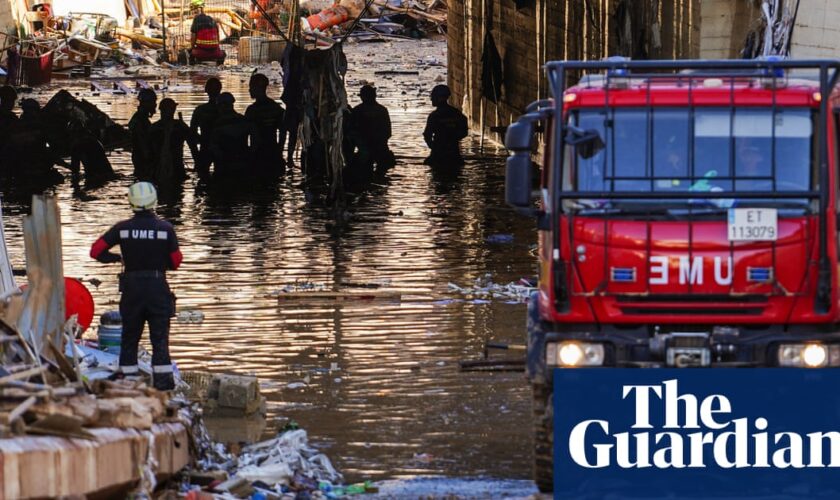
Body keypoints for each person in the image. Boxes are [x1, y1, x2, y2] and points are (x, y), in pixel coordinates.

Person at [89, 182, 182, 391]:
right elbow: (176, 261)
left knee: (129, 338)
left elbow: (96, 251)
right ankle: (164, 388)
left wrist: (116, 258)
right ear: (154, 201)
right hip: (158, 289)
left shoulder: (122, 229)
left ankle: (128, 386)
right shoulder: (166, 229)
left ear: (130, 202)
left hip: (132, 291)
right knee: (160, 340)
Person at [348, 85, 395, 176]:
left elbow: (351, 131)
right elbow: (388, 132)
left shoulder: (358, 110)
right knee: (381, 173)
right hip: (374, 146)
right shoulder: (382, 110)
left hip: (371, 147)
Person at [149, 98, 199, 182]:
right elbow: (193, 144)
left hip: (165, 167)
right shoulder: (179, 126)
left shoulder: (154, 127)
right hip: (167, 167)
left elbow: (192, 143)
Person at [244, 73, 285, 175]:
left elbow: (245, 134)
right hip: (273, 153)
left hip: (258, 155)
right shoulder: (276, 108)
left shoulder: (252, 111)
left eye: (251, 87)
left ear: (257, 88)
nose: (249, 90)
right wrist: (279, 152)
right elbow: (283, 132)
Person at [210, 92, 257, 176]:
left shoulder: (218, 124)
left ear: (222, 105)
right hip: (244, 164)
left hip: (225, 167)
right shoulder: (244, 121)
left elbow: (214, 147)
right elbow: (255, 142)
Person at [422, 84, 468, 167]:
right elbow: (464, 132)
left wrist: (435, 147)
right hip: (454, 154)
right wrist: (452, 139)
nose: (431, 99)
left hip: (438, 155)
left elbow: (427, 135)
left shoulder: (434, 116)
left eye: (433, 96)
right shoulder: (457, 114)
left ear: (440, 98)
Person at [190, 77, 222, 176]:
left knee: (203, 176)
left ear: (206, 90)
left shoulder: (200, 110)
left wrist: (196, 155)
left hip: (208, 146)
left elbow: (192, 133)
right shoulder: (224, 109)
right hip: (219, 148)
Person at [129, 88, 157, 180]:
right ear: (146, 103)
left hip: (140, 159)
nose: (155, 105)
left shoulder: (141, 118)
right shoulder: (140, 121)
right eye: (153, 102)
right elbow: (143, 143)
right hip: (143, 160)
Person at [189, 0, 226, 65]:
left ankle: (193, 69)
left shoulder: (196, 20)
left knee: (189, 53)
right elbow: (218, 39)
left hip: (201, 53)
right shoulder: (212, 20)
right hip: (216, 53)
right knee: (224, 54)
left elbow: (193, 39)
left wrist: (192, 48)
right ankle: (219, 66)